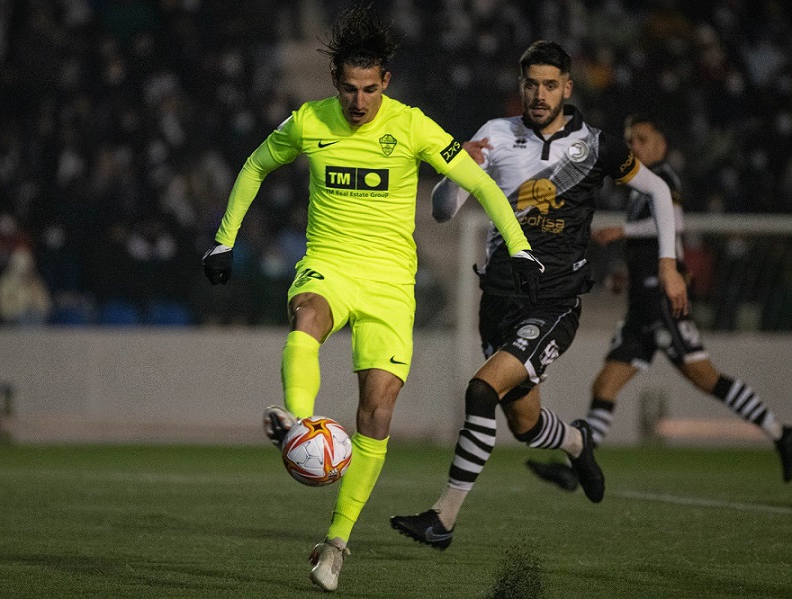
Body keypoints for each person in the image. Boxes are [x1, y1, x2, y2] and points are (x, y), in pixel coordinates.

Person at [200, 5, 541, 592]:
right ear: (337, 84)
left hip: (389, 284)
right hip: (329, 265)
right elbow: (256, 165)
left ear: (386, 82)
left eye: (370, 89)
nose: (359, 102)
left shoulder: (412, 126)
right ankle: (299, 422)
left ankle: (335, 544)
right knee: (307, 316)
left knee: (378, 411)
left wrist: (520, 245)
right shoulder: (309, 121)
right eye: (350, 90)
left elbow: (480, 182)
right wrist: (223, 241)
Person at [389, 40, 688, 550]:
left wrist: (668, 264)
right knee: (525, 424)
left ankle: (443, 519)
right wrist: (454, 170)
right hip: (499, 298)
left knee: (481, 390)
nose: (540, 94)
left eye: (551, 85)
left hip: (554, 302)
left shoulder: (596, 145)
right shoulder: (494, 135)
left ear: (567, 88)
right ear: (521, 85)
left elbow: (658, 191)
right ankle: (577, 441)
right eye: (532, 84)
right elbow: (444, 212)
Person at [526, 114, 792, 490]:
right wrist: (626, 274)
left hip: (662, 303)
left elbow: (676, 223)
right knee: (604, 387)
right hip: (641, 305)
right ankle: (578, 468)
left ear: (662, 145)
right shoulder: (639, 189)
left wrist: (623, 230)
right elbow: (653, 244)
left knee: (706, 379)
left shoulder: (664, 179)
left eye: (643, 139)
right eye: (630, 138)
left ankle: (781, 434)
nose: (633, 145)